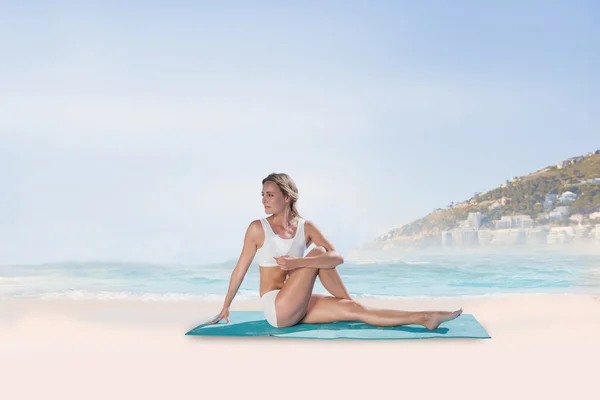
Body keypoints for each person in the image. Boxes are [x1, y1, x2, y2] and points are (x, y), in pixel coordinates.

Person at [207, 172, 462, 329]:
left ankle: (425, 317)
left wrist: (295, 264)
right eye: (262, 194)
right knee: (318, 254)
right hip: (278, 308)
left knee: (356, 310)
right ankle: (346, 298)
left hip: (299, 302)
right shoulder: (257, 228)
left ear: (287, 198)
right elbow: (240, 269)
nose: (264, 199)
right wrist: (226, 306)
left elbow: (338, 258)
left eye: (270, 195)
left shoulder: (306, 226)